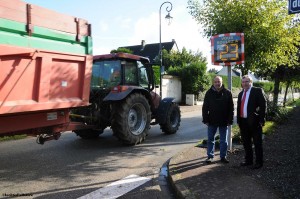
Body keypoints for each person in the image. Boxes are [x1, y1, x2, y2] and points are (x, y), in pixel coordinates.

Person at [237, 75, 267, 169]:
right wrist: (239, 121)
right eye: (243, 82)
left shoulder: (257, 91)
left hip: (255, 122)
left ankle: (259, 162)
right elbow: (239, 108)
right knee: (246, 143)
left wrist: (262, 119)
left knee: (257, 143)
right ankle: (248, 160)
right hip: (243, 122)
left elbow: (263, 105)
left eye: (247, 81)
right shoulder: (240, 94)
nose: (245, 83)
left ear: (251, 82)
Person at [202, 76, 234, 163]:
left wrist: (230, 120)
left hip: (224, 121)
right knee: (210, 140)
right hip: (212, 121)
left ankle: (223, 157)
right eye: (215, 82)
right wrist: (205, 120)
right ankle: (210, 156)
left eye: (219, 81)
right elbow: (205, 107)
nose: (217, 83)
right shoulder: (209, 93)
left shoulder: (227, 93)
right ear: (213, 83)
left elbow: (231, 108)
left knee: (224, 141)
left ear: (222, 82)